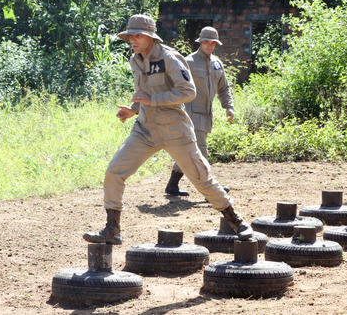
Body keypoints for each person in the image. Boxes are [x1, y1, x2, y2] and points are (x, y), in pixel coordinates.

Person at [82, 15, 253, 244]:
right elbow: (142, 92)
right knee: (114, 171)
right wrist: (134, 109)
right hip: (145, 130)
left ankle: (236, 221)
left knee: (202, 178)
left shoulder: (169, 57)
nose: (133, 39)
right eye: (130, 35)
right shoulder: (136, 59)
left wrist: (153, 99)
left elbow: (188, 92)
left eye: (138, 35)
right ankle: (112, 229)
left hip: (175, 130)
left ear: (151, 37)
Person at [165, 26, 234, 197]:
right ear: (200, 42)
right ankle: (210, 191)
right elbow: (173, 85)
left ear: (216, 44)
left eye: (212, 43)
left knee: (186, 152)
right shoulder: (188, 62)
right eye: (206, 42)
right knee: (201, 152)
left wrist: (229, 107)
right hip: (190, 114)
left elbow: (224, 89)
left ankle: (172, 186)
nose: (209, 46)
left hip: (206, 115)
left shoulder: (217, 63)